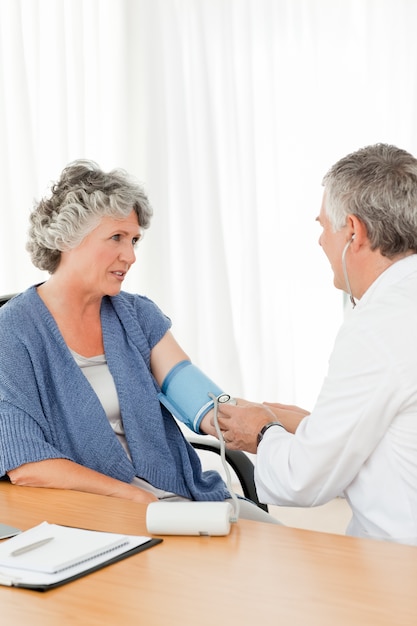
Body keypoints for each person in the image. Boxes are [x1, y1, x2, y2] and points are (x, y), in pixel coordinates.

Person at [0, 159, 276, 524]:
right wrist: (131, 495)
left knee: (290, 552)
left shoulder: (136, 315)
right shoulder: (13, 333)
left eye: (134, 240)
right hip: (95, 515)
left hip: (182, 497)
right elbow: (26, 464)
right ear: (68, 237)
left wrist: (273, 428)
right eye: (116, 237)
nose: (129, 256)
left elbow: (198, 398)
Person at [217, 143, 417, 544]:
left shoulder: (378, 327)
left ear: (354, 232)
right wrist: (309, 426)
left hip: (397, 571)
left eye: (324, 226)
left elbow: (302, 480)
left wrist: (261, 432)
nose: (320, 241)